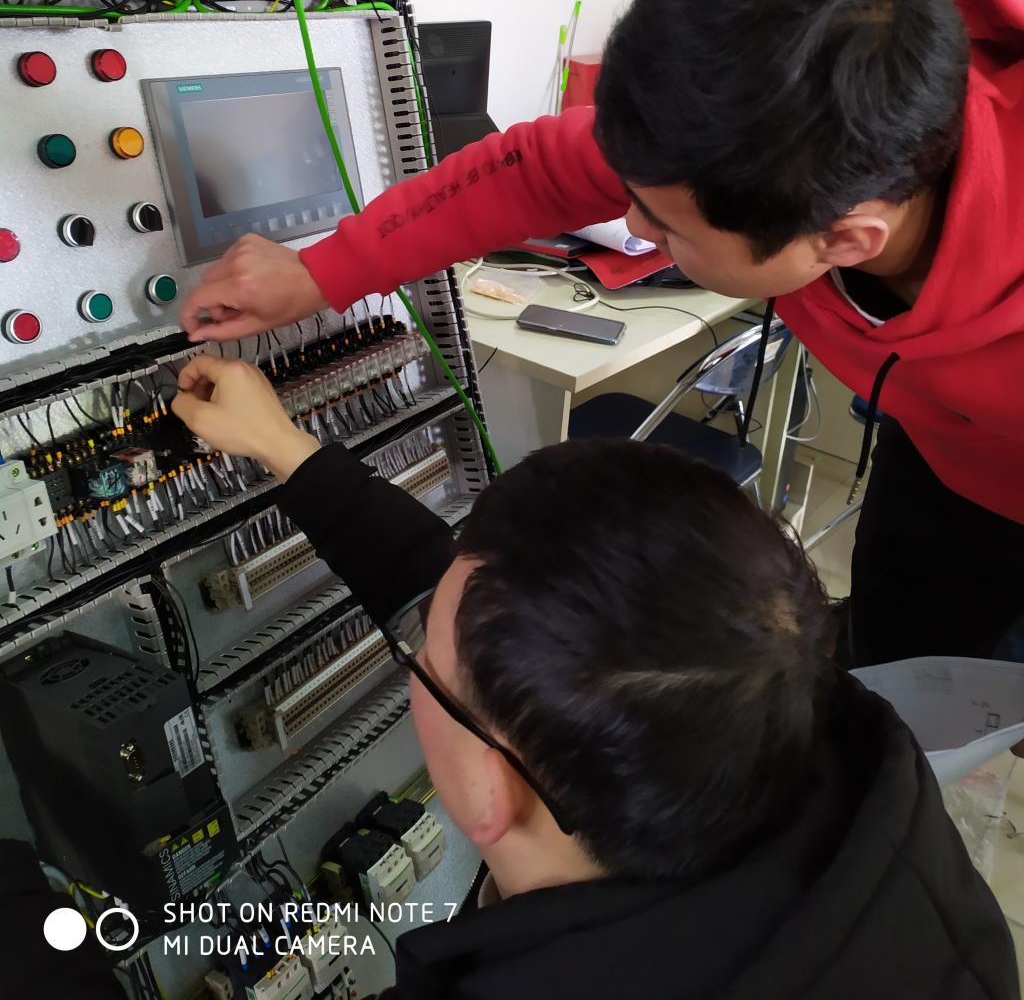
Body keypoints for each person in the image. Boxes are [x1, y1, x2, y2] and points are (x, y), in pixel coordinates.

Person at [180, 0, 1024, 669]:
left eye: (667, 227)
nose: (633, 227)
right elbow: (535, 171)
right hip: (940, 463)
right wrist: (322, 271)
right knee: (899, 663)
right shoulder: (779, 127)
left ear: (842, 239)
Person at [3, 357, 1017, 997]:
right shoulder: (817, 737)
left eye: (422, 656)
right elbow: (472, 597)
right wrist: (282, 446)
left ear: (494, 789)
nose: (422, 625)